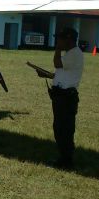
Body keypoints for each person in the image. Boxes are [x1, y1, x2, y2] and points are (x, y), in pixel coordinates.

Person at [35, 27, 84, 169]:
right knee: (59, 128)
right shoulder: (70, 54)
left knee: (65, 129)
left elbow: (57, 63)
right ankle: (63, 158)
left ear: (68, 39)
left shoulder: (74, 54)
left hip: (66, 97)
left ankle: (67, 161)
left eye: (60, 39)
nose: (58, 41)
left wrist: (57, 49)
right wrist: (47, 75)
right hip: (61, 96)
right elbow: (61, 73)